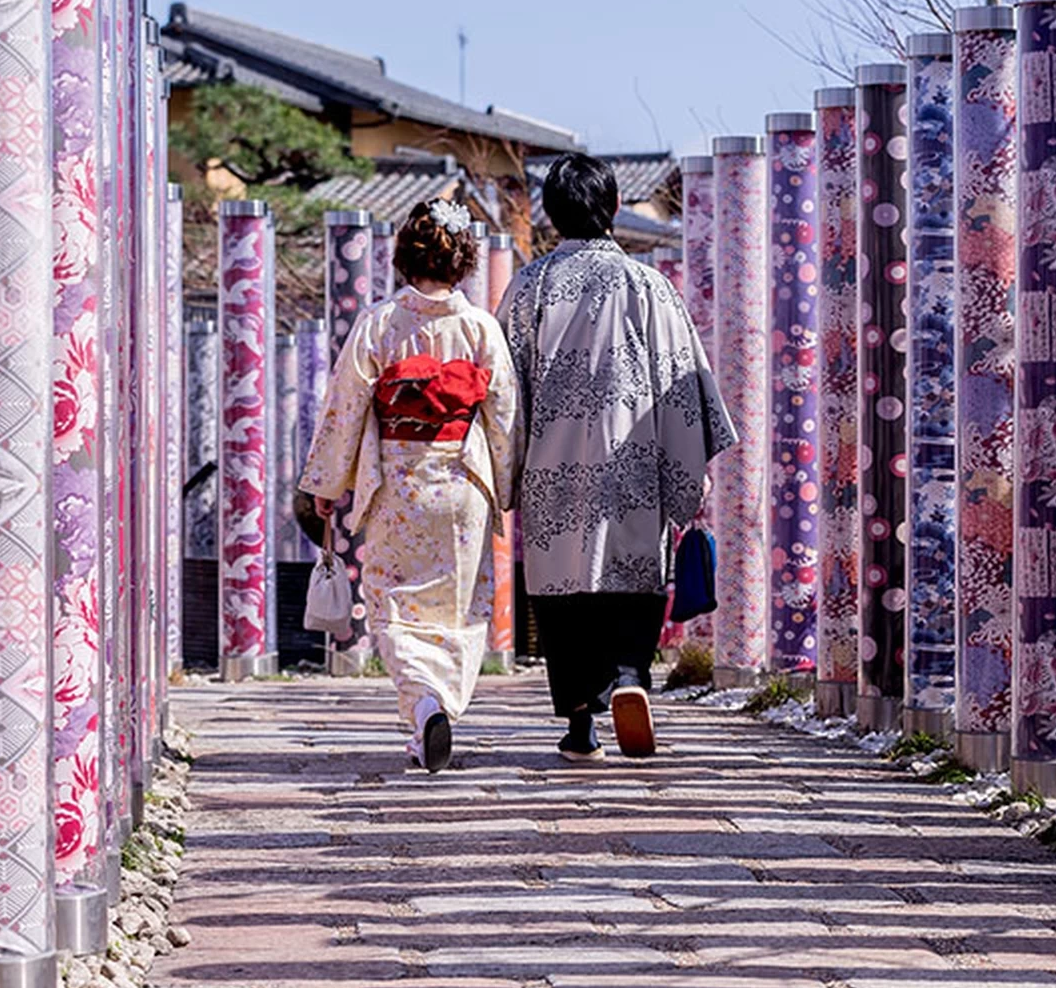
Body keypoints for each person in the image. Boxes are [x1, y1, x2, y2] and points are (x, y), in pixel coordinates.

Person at [498, 154, 736, 762]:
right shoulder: (650, 287)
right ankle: (630, 676)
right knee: (633, 573)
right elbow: (683, 381)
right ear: (611, 208)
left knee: (561, 590)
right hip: (634, 460)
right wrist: (688, 473)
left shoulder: (529, 286)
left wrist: (505, 472)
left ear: (552, 214)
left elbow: (505, 391)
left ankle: (581, 726)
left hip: (552, 470)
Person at [300, 198, 518, 773]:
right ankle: (438, 706)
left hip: (399, 483)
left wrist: (327, 483)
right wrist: (507, 484)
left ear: (404, 257)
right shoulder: (480, 329)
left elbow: (344, 410)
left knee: (393, 606)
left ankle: (424, 703)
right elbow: (504, 415)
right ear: (464, 262)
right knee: (460, 607)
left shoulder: (380, 323)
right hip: (463, 484)